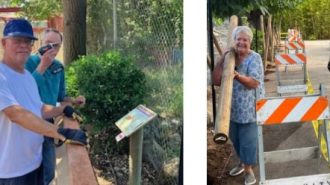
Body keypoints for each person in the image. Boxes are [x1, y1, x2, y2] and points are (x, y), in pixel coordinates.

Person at [0, 19, 86, 185]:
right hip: (11, 170)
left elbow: (39, 108)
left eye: (27, 41)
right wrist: (60, 132)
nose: (23, 45)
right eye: (17, 40)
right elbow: (16, 114)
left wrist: (63, 109)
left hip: (34, 162)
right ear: (4, 42)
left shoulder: (27, 77)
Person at [25, 28, 86, 185]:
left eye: (56, 45)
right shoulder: (27, 62)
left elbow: (60, 96)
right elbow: (25, 90)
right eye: (48, 43)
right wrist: (43, 66)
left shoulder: (59, 67)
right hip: (27, 124)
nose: (51, 48)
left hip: (48, 123)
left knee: (49, 169)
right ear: (41, 43)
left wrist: (74, 101)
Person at [213, 26, 265, 185]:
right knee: (235, 139)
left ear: (250, 42)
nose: (241, 42)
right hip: (230, 108)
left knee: (248, 141)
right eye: (238, 39)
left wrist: (237, 76)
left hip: (250, 109)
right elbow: (216, 80)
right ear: (234, 41)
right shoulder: (230, 57)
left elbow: (254, 83)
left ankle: (249, 171)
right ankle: (242, 163)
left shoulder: (254, 58)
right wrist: (223, 60)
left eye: (245, 39)